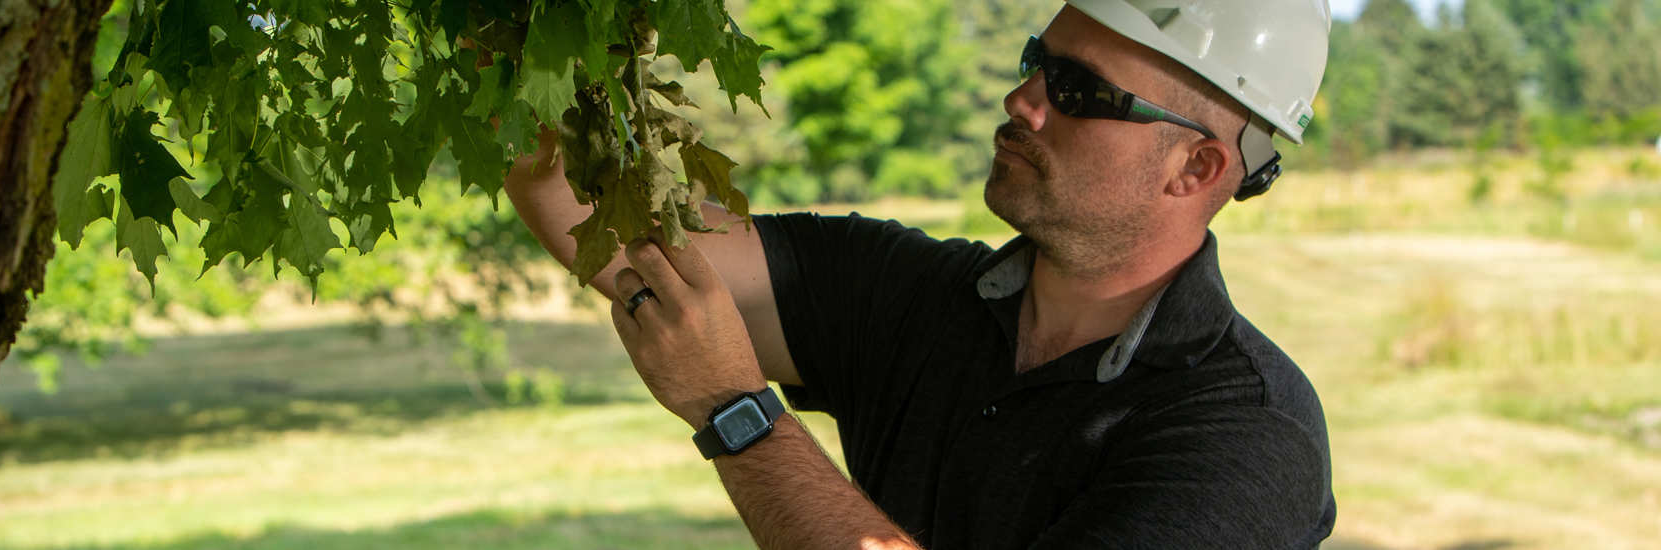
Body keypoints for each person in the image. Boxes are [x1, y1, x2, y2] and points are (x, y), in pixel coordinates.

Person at [504, 0, 1336, 547]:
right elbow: (623, 234)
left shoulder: (1249, 435)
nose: (1023, 98)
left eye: (1078, 89)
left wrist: (740, 416)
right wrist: (521, 51)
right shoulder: (912, 295)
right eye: (1036, 59)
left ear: (1195, 169)